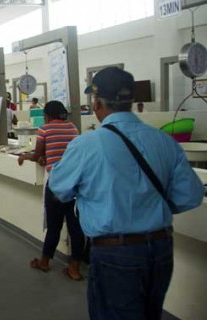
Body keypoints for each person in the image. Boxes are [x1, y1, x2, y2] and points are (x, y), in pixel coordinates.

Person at [48, 67, 204, 320]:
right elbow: (191, 196)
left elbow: (59, 188)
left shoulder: (87, 145)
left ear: (97, 103)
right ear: (131, 102)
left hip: (115, 253)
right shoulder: (164, 141)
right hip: (161, 248)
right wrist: (149, 207)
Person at [17, 101, 84, 281]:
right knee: (76, 227)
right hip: (75, 183)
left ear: (47, 115)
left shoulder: (45, 129)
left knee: (54, 226)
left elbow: (37, 155)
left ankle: (44, 262)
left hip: (56, 183)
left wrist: (25, 156)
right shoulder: (73, 128)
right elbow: (67, 151)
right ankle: (75, 269)